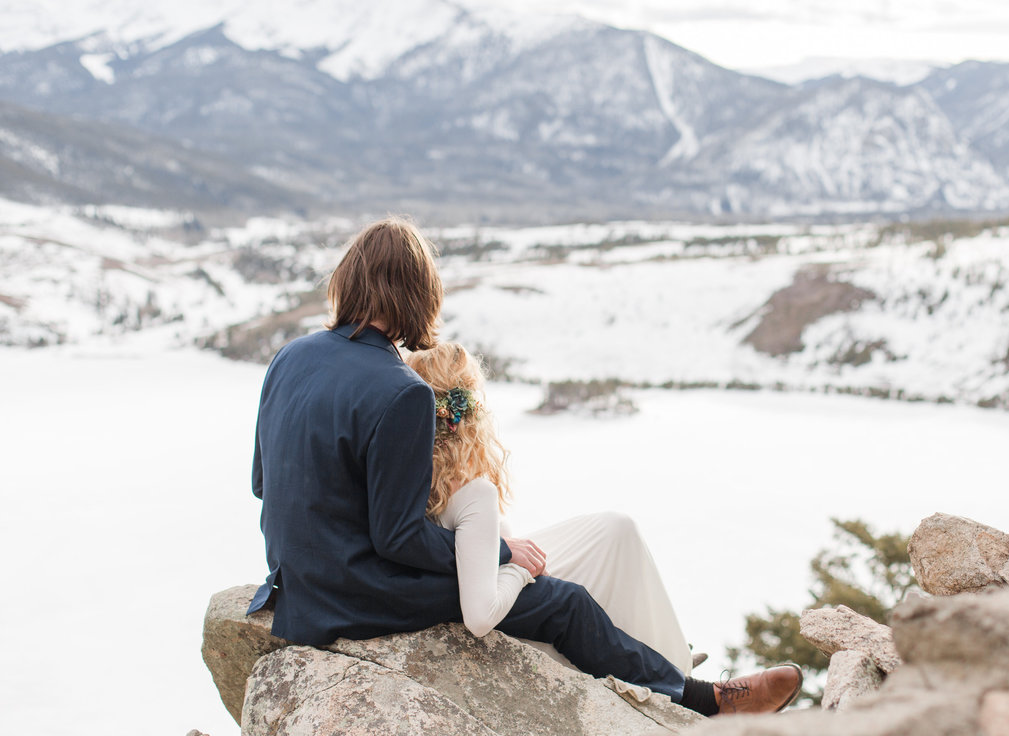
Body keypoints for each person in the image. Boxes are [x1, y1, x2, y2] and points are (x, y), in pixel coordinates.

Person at [247, 216, 803, 716]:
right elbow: (397, 539)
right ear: (418, 295)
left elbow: (262, 484)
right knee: (564, 603)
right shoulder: (401, 391)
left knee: (566, 565)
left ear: (348, 280)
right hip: (355, 596)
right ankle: (705, 702)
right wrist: (502, 552)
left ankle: (663, 664)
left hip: (297, 587)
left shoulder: (290, 357)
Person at [407, 342, 693, 675]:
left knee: (616, 528)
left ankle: (666, 656)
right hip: (506, 602)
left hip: (491, 576)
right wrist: (519, 568)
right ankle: (675, 669)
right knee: (613, 547)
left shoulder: (415, 472)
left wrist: (510, 555)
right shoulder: (471, 492)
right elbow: (480, 616)